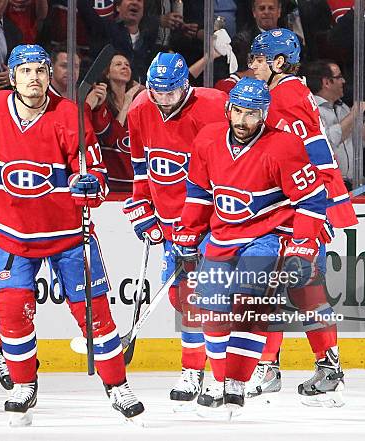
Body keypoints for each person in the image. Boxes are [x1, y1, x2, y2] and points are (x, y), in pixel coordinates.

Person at [0, 44, 144, 426]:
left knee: (96, 315)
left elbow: (97, 178)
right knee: (12, 315)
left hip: (68, 234)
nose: (34, 77)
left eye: (40, 70)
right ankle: (24, 384)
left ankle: (117, 385)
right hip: (11, 236)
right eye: (25, 71)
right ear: (13, 75)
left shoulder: (69, 116)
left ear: (48, 75)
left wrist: (89, 185)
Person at [172, 77, 327, 418]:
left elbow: (313, 197)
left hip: (266, 236)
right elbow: (199, 193)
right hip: (223, 235)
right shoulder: (208, 139)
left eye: (251, 114)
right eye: (237, 111)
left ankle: (237, 383)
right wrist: (188, 231)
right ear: (228, 109)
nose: (242, 121)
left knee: (251, 302)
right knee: (209, 308)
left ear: (265, 115)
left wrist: (302, 242)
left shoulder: (284, 146)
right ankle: (219, 377)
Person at [246, 28, 355, 406]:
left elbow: (306, 155)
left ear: (278, 62)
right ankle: (273, 366)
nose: (253, 66)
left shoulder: (286, 95)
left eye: (259, 59)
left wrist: (317, 207)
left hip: (301, 208)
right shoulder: (285, 92)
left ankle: (326, 370)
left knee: (302, 290)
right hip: (288, 206)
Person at [124, 52, 227, 406]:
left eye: (171, 92)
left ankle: (221, 376)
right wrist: (141, 206)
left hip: (212, 223)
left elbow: (230, 168)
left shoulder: (213, 108)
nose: (163, 100)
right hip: (171, 223)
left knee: (210, 300)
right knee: (183, 300)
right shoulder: (140, 108)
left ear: (186, 86)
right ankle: (193, 370)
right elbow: (142, 166)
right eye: (157, 92)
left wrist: (210, 224)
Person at [301, 59, 365, 189]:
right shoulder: (311, 110)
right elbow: (328, 141)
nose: (343, 81)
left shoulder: (343, 107)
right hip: (329, 186)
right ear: (326, 82)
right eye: (339, 77)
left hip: (354, 185)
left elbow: (364, 141)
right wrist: (353, 115)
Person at [86, 53, 143, 192]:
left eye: (127, 65)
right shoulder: (101, 102)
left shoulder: (139, 105)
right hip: (112, 186)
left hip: (135, 183)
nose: (124, 67)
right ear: (107, 73)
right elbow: (110, 138)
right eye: (118, 64)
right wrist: (127, 101)